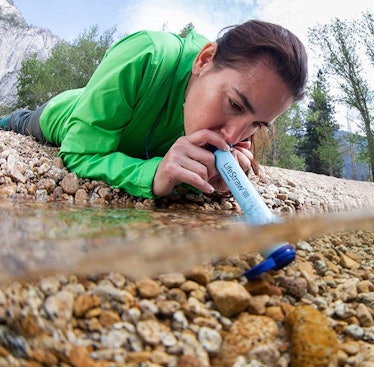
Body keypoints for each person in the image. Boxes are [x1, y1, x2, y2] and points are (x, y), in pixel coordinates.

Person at [0, 20, 308, 199]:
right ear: (203, 61)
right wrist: (152, 174)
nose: (231, 137)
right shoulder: (146, 54)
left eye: (256, 124)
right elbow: (77, 154)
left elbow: (185, 174)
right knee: (21, 122)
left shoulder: (232, 133)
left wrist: (216, 180)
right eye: (235, 104)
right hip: (62, 114)